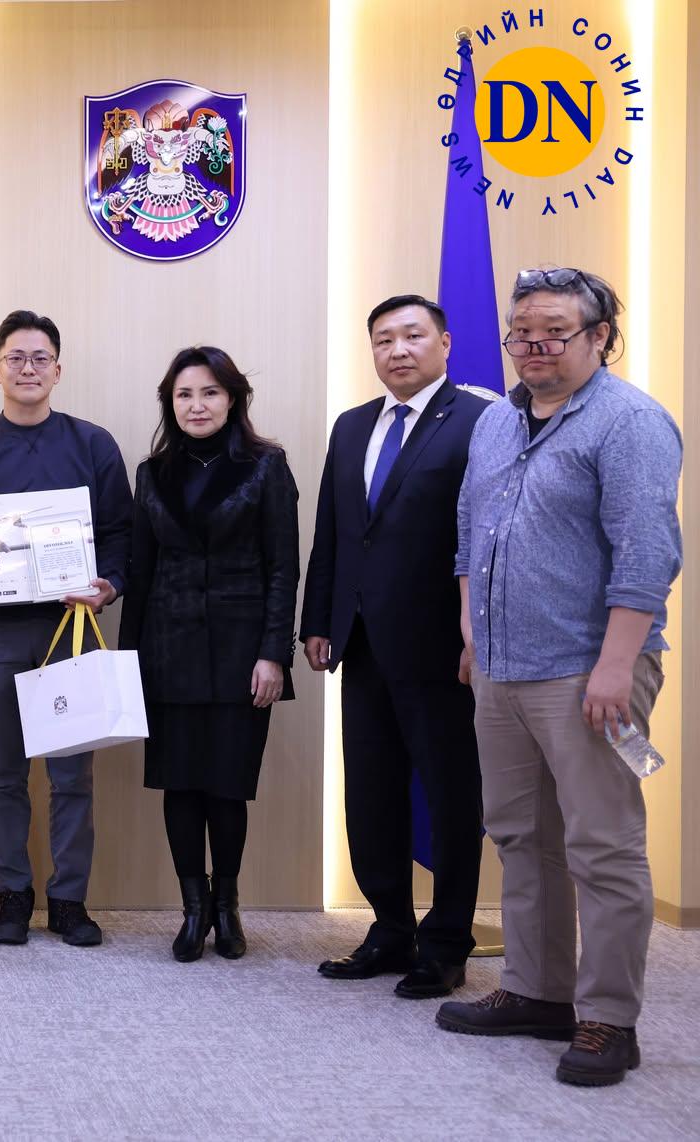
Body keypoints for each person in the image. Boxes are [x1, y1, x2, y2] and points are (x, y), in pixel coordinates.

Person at [437, 268, 682, 1087]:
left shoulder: (630, 422)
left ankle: (609, 1017)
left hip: (590, 671)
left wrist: (616, 667)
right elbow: (470, 530)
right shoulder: (495, 421)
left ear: (600, 335)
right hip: (500, 667)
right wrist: (472, 631)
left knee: (602, 847)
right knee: (520, 835)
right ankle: (538, 991)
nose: (534, 345)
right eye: (522, 332)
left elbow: (647, 556)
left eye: (554, 331)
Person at [301, 295, 490, 998]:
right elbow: (334, 529)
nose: (398, 350)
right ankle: (388, 928)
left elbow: (485, 534)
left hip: (444, 646)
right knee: (371, 792)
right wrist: (318, 618)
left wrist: (479, 633)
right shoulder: (353, 425)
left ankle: (446, 943)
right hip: (362, 643)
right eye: (384, 340)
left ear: (445, 342)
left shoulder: (481, 421)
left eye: (413, 335)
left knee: (450, 795)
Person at [0, 310, 132, 947]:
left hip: (72, 629)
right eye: (15, 358)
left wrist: (109, 584)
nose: (27, 368)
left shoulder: (93, 445)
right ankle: (11, 896)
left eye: (40, 358)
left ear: (58, 370)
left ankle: (69, 901)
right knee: (4, 773)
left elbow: (121, 534)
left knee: (72, 776)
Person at [118, 347, 299, 963]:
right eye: (184, 395)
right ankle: (193, 910)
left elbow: (283, 569)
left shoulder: (265, 466)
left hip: (242, 653)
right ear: (170, 404)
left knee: (226, 786)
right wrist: (128, 663)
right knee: (179, 785)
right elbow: (141, 574)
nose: (197, 406)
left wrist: (274, 653)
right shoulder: (151, 473)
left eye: (210, 393)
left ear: (233, 398)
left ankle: (227, 906)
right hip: (167, 651)